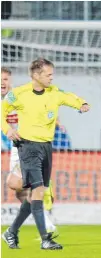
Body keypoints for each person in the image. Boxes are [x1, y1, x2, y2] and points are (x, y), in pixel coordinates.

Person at [1, 58, 90, 250]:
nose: (52, 78)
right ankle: (45, 239)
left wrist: (81, 103)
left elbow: (69, 97)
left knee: (35, 194)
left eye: (52, 74)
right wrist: (7, 129)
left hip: (46, 148)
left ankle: (11, 231)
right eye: (48, 75)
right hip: (27, 147)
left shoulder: (54, 93)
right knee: (39, 190)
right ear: (36, 75)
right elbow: (2, 109)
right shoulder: (19, 94)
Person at [1, 66, 58, 238]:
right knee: (20, 191)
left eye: (4, 79)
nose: (1, 82)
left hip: (28, 144)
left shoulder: (20, 95)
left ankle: (45, 222)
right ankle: (37, 220)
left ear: (9, 80)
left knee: (15, 183)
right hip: (14, 148)